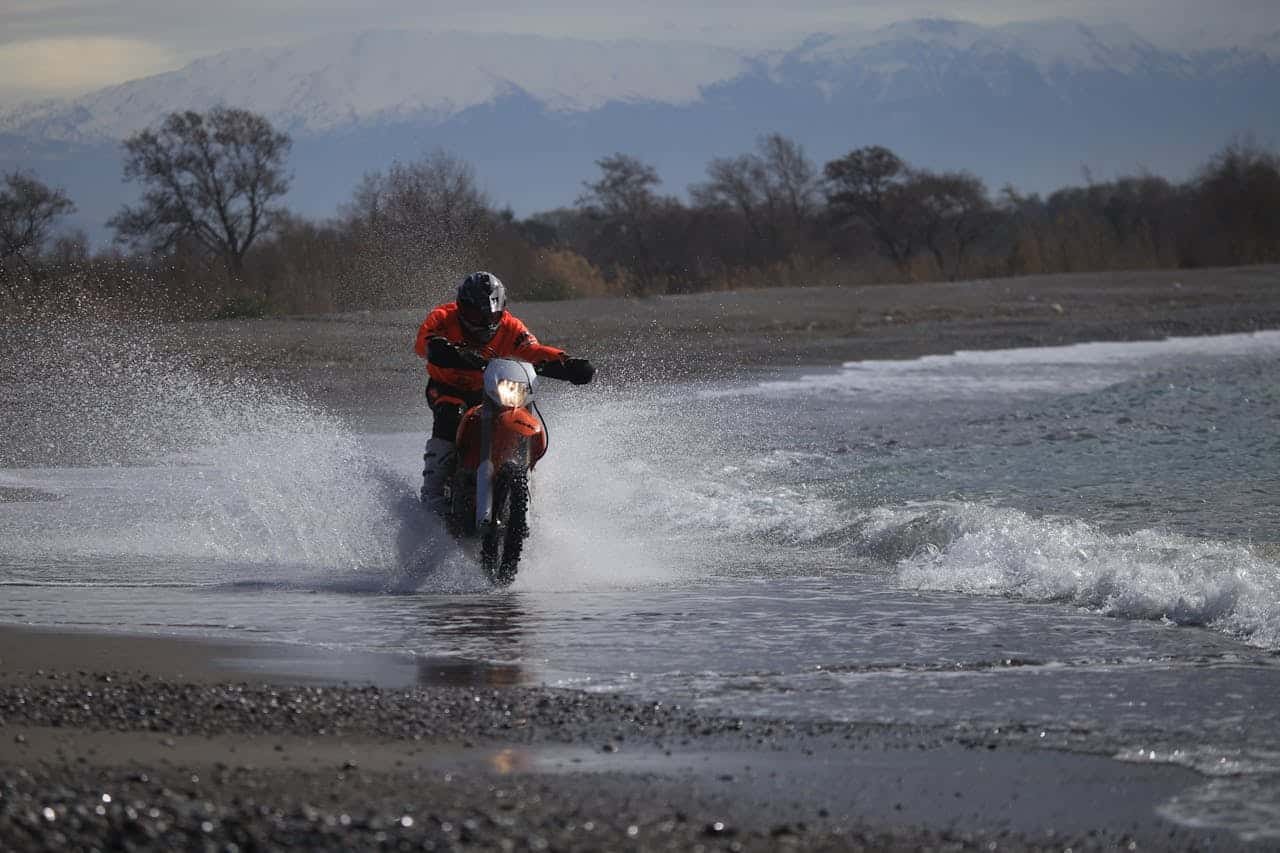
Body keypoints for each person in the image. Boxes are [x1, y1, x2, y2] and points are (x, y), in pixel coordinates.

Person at [414, 270, 594, 508]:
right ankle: (433, 493)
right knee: (449, 414)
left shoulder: (510, 327)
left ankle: (527, 489)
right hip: (448, 388)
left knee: (515, 414)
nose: (484, 322)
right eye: (475, 315)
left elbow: (534, 351)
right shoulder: (442, 318)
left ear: (501, 312)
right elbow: (424, 343)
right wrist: (447, 351)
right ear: (461, 307)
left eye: (491, 316)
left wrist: (567, 363)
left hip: (489, 390)